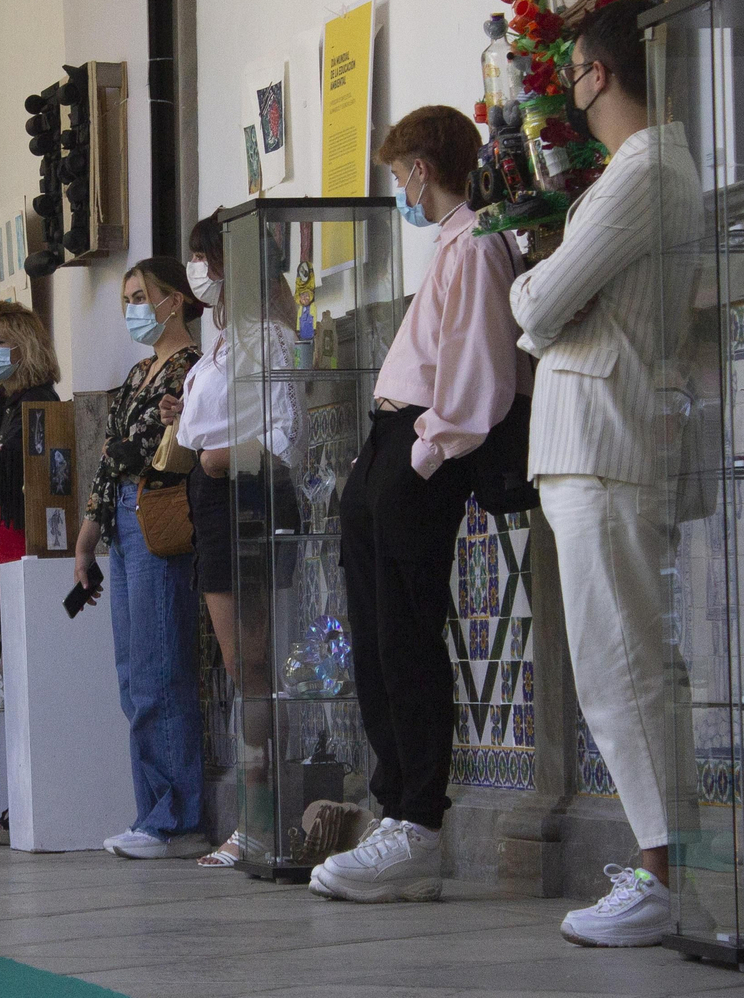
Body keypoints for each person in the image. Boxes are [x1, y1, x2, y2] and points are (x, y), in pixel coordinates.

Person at [508, 0, 702, 947]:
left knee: (622, 663)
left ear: (596, 73)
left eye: (576, 72)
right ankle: (666, 861)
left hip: (607, 437)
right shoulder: (641, 168)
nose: (572, 91)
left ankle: (665, 873)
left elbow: (544, 300)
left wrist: (529, 285)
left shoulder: (647, 169)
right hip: (592, 439)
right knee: (616, 661)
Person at [304, 105, 529, 903]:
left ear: (420, 171)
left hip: (421, 454)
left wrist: (422, 456)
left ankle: (418, 819)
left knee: (406, 636)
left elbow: (479, 376)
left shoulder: (474, 245)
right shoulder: (447, 246)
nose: (397, 186)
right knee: (375, 638)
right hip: (388, 446)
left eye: (398, 172)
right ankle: (394, 799)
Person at [165, 218, 306, 869]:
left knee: (254, 668)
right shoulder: (223, 344)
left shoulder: (268, 339)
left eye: (203, 257)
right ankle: (257, 818)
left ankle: (263, 818)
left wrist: (220, 458)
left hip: (249, 498)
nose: (196, 269)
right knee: (239, 668)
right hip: (215, 498)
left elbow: (285, 439)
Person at [74, 256, 208, 860]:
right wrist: (87, 532)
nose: (131, 307)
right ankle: (150, 807)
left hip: (159, 508)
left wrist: (134, 448)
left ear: (172, 300)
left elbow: (169, 447)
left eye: (139, 295)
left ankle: (176, 816)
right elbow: (109, 456)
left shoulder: (192, 369)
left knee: (161, 665)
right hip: (123, 517)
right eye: (126, 296)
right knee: (134, 674)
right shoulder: (136, 376)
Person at [0, 301, 61, 567]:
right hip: (3, 527)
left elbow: (1, 472)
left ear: (25, 347)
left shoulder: (38, 400)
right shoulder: (1, 402)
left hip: (28, 532)